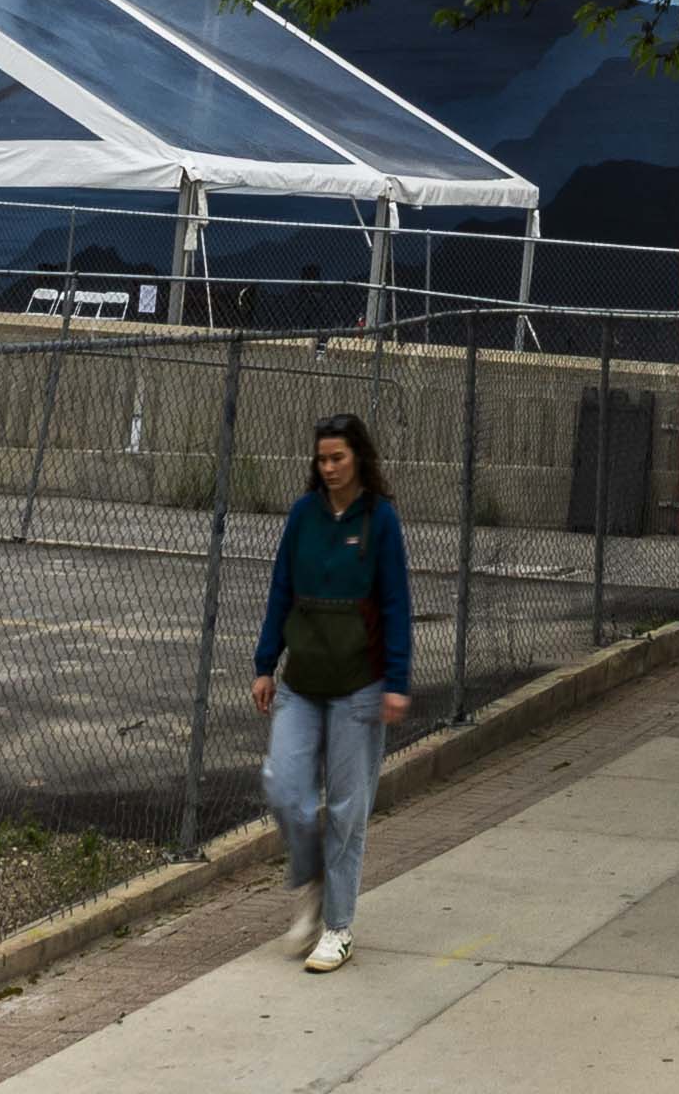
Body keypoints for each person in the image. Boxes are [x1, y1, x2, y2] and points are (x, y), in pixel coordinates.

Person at [246, 409, 414, 974]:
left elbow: (396, 605)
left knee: (347, 809)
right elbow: (280, 589)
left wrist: (397, 680)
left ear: (359, 458)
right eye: (322, 459)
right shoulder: (303, 516)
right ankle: (312, 879)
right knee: (285, 786)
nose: (330, 468)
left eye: (338, 457)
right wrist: (265, 663)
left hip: (359, 689)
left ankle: (337, 927)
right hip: (302, 681)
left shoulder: (380, 520)